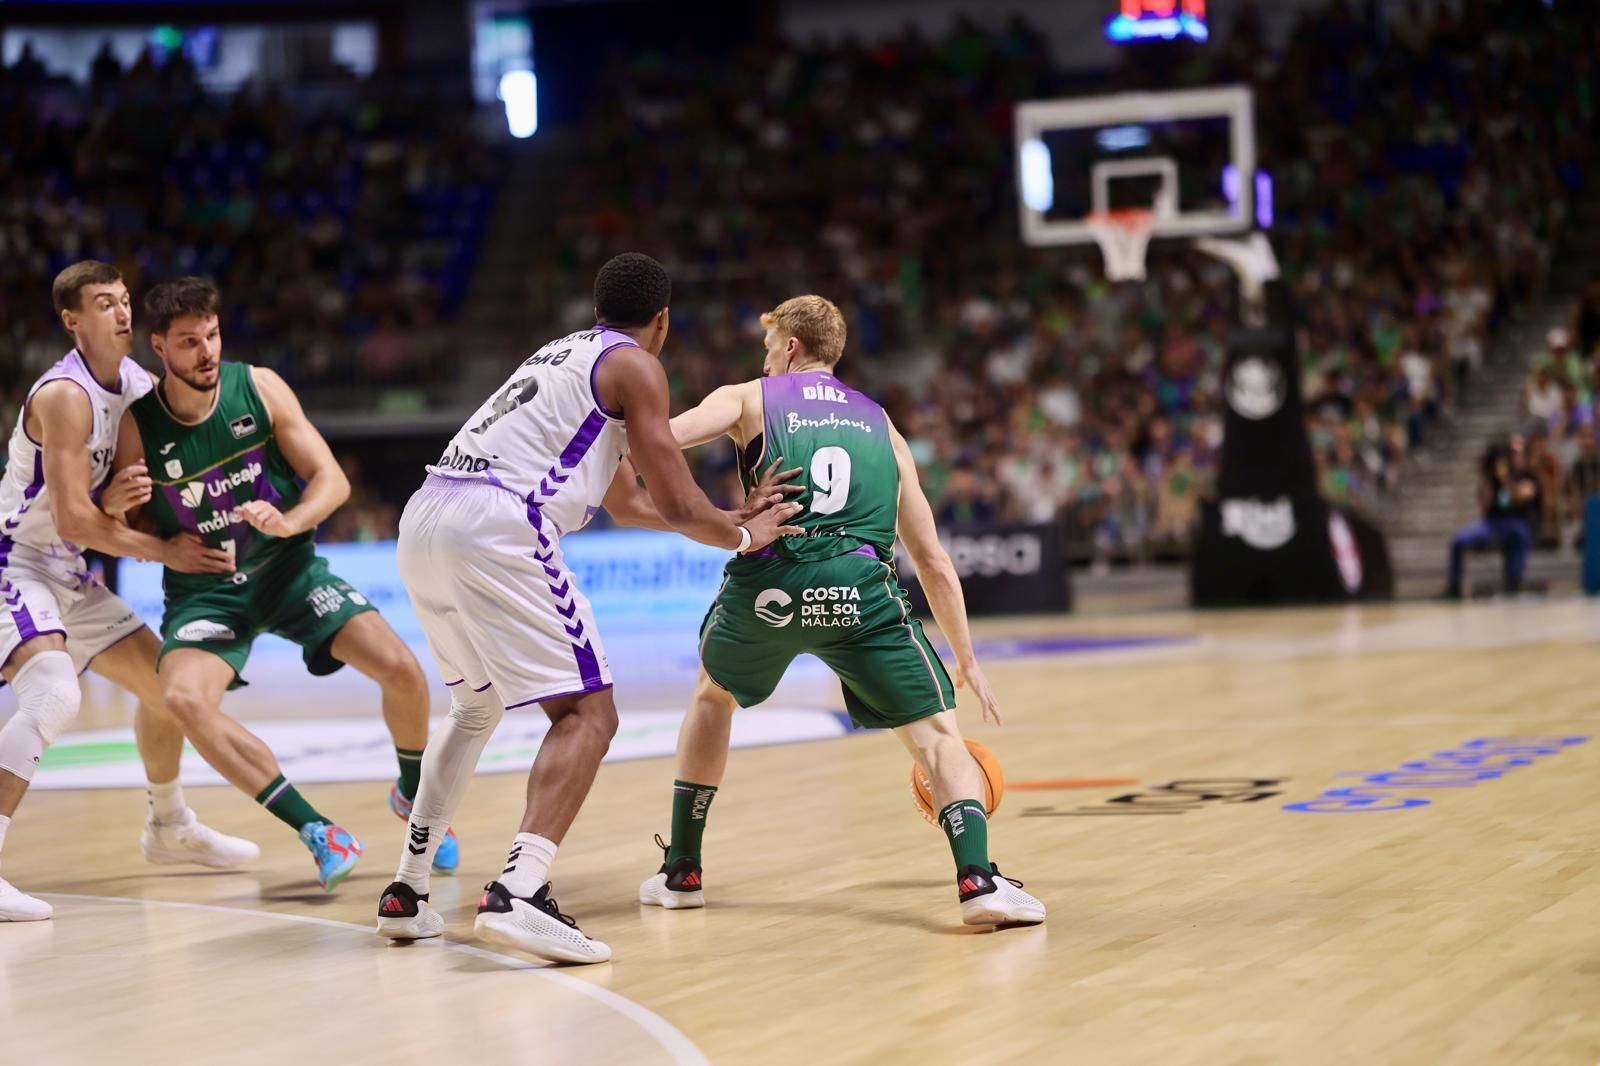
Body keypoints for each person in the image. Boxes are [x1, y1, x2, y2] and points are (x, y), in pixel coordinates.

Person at [373, 252, 802, 963]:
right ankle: (519, 888)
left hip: (424, 517)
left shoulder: (558, 355)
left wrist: (723, 515)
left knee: (475, 708)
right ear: (661, 320)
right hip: (498, 522)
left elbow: (631, 503)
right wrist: (741, 533)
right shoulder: (637, 365)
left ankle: (408, 890)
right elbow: (673, 500)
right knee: (590, 713)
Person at [637, 295, 1045, 927]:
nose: (765, 360)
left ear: (792, 347)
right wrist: (968, 658)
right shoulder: (883, 425)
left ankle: (682, 871)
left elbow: (657, 439)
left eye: (770, 348)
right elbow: (932, 559)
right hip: (859, 589)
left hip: (771, 579)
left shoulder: (747, 398)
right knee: (939, 738)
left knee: (712, 697)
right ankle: (978, 882)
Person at [107, 276, 452, 891]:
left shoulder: (258, 386)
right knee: (182, 699)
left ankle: (412, 795)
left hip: (289, 572)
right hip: (207, 592)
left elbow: (332, 480)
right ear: (159, 347)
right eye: (189, 343)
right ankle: (318, 830)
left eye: (211, 336)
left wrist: (289, 519)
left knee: (402, 669)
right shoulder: (138, 427)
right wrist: (126, 514)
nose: (206, 352)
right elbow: (122, 526)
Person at [0, 262, 255, 922]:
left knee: (167, 689)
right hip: (17, 561)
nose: (121, 313)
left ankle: (168, 826)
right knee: (54, 692)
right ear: (72, 321)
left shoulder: (140, 384)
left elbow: (121, 500)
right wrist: (157, 544)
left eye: (122, 302)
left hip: (70, 573)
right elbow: (71, 519)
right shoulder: (65, 396)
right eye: (103, 303)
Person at [1444, 438, 1539, 598]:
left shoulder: (1527, 477)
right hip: (1492, 524)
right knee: (1457, 541)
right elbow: (1486, 507)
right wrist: (1488, 480)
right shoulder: (1491, 480)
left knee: (1519, 535)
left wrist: (1505, 480)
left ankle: (1514, 581)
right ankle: (1454, 585)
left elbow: (1520, 497)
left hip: (1517, 523)